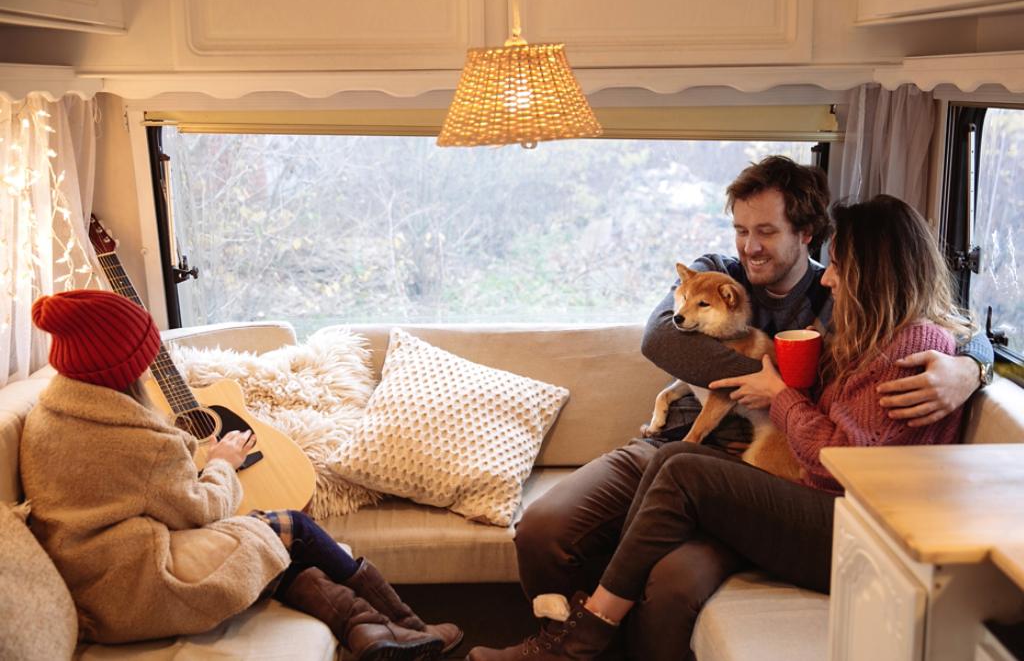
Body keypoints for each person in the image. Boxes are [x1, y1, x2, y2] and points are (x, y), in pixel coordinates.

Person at [480, 157, 994, 661]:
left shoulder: (849, 309)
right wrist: (763, 377)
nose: (749, 246)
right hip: (687, 445)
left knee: (672, 569)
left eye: (766, 231)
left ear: (808, 233)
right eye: (740, 229)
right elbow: (662, 338)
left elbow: (945, 331)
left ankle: (586, 635)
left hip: (774, 461)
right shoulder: (718, 274)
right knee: (546, 528)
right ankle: (575, 634)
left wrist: (971, 367)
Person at [19, 289, 462, 661]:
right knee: (294, 528)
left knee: (269, 546)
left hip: (90, 577)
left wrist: (192, 456)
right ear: (125, 366)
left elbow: (130, 486)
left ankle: (370, 632)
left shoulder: (50, 417)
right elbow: (201, 509)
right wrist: (221, 464)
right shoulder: (139, 441)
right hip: (135, 586)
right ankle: (406, 624)